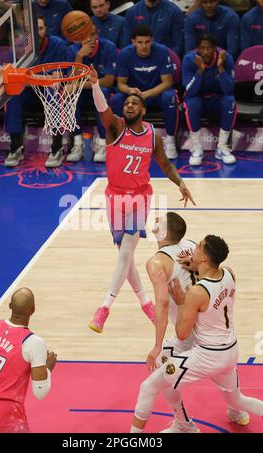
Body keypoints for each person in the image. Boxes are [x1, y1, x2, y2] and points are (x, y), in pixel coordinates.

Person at [87, 64, 196, 334]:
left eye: (135, 103)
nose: (130, 106)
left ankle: (104, 308)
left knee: (126, 251)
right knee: (126, 256)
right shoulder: (115, 128)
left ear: (144, 111)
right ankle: (145, 301)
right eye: (127, 103)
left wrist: (181, 183)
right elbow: (103, 110)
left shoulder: (151, 135)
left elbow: (165, 164)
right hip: (114, 197)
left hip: (138, 198)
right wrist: (96, 85)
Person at [130, 235, 263, 433]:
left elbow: (182, 333)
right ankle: (231, 414)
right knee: (237, 400)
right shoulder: (229, 273)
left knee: (149, 386)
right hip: (230, 351)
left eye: (199, 246)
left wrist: (182, 302)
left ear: (205, 258)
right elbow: (212, 278)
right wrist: (195, 267)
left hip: (206, 355)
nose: (195, 247)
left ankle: (144, 435)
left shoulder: (197, 293)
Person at [0, 287, 57, 433]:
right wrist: (48, 368)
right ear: (32, 309)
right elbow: (40, 392)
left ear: (9, 306)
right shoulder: (34, 342)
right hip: (5, 415)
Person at [4, 16, 67, 168]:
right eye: (34, 29)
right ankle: (15, 147)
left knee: (51, 90)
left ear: (46, 29)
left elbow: (56, 80)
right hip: (30, 95)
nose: (37, 32)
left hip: (49, 95)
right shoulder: (21, 46)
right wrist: (39, 77)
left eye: (40, 28)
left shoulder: (57, 45)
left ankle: (56, 148)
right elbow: (16, 76)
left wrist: (30, 76)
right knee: (13, 95)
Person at [111, 25, 179, 160]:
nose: (144, 46)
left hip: (155, 94)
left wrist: (146, 94)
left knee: (169, 96)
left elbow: (167, 82)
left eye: (147, 42)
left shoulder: (162, 51)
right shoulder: (125, 54)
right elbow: (121, 84)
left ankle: (170, 141)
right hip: (135, 96)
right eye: (140, 42)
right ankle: (122, 139)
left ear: (152, 40)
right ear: (133, 42)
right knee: (117, 99)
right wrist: (131, 91)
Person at [146, 213, 196, 373]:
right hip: (210, 324)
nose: (155, 219)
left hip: (189, 333)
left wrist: (157, 345)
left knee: (151, 383)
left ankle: (177, 399)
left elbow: (163, 302)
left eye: (159, 220)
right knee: (235, 396)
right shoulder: (193, 245)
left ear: (164, 233)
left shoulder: (156, 262)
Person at [182, 34, 237, 166]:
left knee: (230, 101)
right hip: (198, 98)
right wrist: (200, 70)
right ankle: (196, 148)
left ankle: (222, 147)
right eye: (202, 48)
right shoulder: (189, 59)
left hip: (217, 98)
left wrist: (220, 68)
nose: (205, 52)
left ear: (214, 48)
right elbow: (190, 92)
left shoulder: (226, 58)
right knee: (191, 103)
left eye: (209, 48)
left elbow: (229, 89)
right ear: (197, 49)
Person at [66, 26, 117, 162]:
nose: (89, 39)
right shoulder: (73, 50)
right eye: (84, 36)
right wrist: (79, 57)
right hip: (83, 93)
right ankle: (78, 143)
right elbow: (72, 81)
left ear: (97, 34)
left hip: (101, 91)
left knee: (103, 92)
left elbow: (108, 81)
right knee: (69, 95)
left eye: (92, 34)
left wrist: (80, 85)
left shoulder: (108, 47)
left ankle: (102, 142)